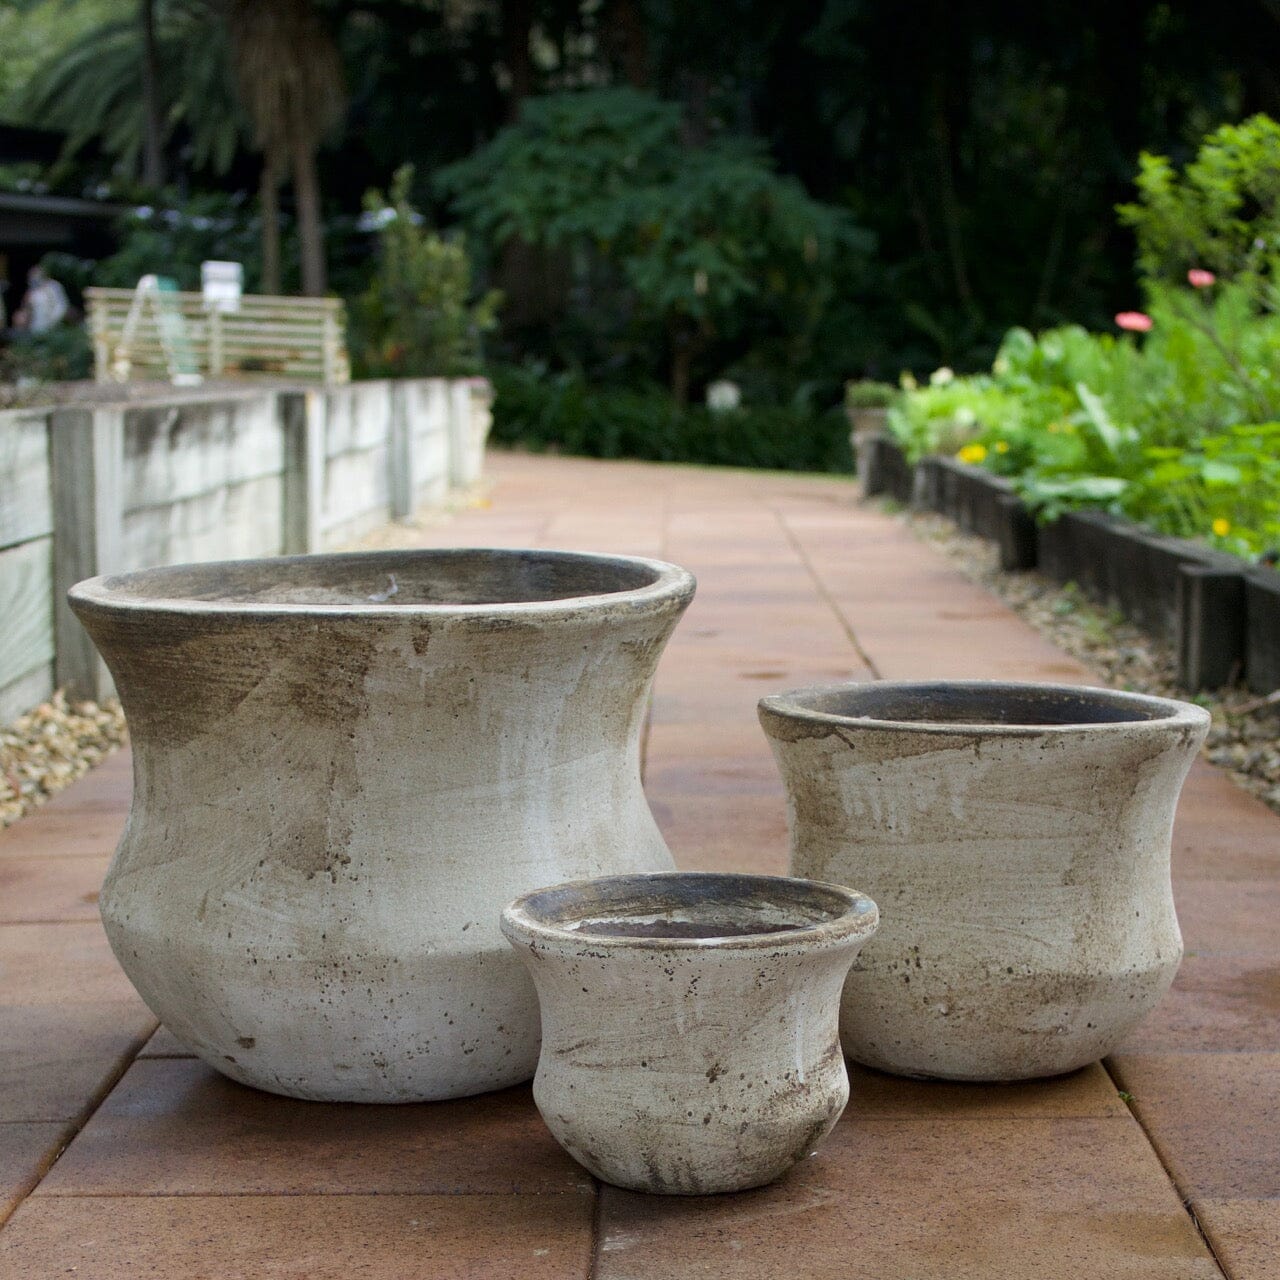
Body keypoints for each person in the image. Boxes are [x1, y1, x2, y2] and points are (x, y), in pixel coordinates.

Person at [13, 265, 69, 333]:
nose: (33, 278)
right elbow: (26, 310)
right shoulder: (31, 291)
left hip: (52, 328)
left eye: (35, 274)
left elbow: (61, 307)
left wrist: (52, 322)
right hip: (35, 329)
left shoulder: (53, 286)